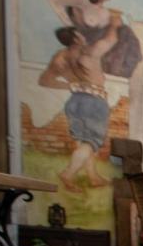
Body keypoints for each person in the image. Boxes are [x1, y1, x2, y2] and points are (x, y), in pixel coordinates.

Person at [38, 12, 122, 192]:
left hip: (75, 101)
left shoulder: (61, 57)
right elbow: (110, 40)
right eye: (80, 34)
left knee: (84, 141)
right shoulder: (88, 52)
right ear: (76, 38)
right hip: (94, 101)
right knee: (91, 142)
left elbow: (44, 80)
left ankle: (93, 177)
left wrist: (71, 86)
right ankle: (68, 173)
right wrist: (114, 24)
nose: (84, 36)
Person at [48, 0, 142, 78]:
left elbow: (109, 29)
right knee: (124, 32)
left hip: (104, 42)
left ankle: (120, 70)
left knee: (125, 32)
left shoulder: (104, 10)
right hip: (90, 40)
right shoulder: (82, 1)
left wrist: (116, 23)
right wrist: (69, 25)